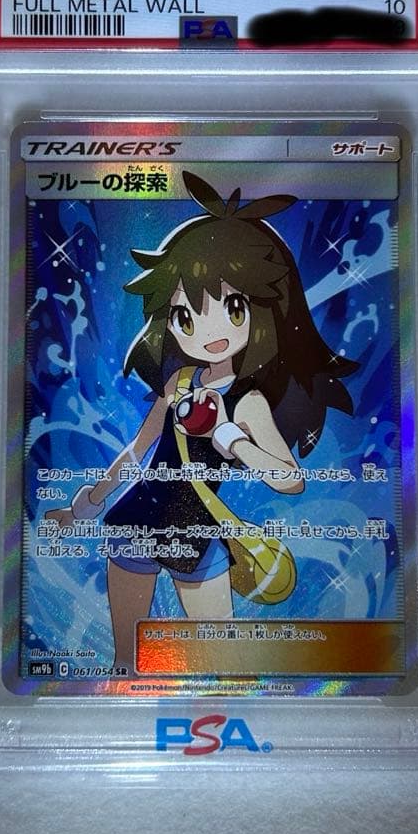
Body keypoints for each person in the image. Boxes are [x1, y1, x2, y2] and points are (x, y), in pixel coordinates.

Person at [46, 171, 358, 670]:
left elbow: (290, 479)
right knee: (127, 663)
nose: (209, 330)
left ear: (259, 309)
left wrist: (231, 438)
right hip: (136, 521)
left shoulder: (248, 401)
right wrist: (82, 508)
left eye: (231, 307)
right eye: (186, 317)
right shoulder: (178, 381)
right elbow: (136, 453)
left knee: (221, 664)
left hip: (198, 531)